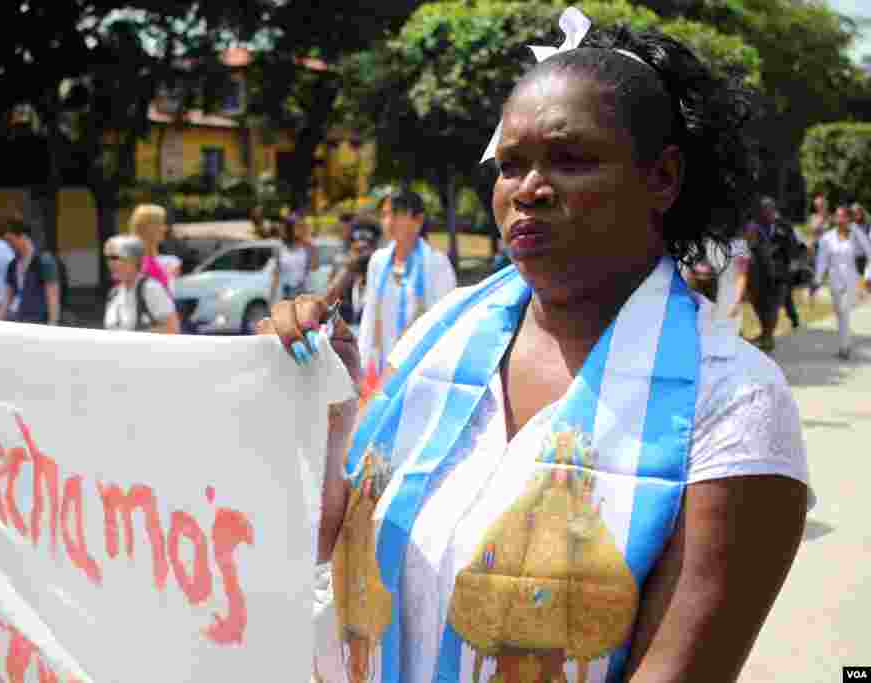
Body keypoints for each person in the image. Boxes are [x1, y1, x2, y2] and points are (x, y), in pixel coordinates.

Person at [260, 9, 811, 683]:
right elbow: (327, 539)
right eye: (511, 165)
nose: (529, 190)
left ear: (662, 177)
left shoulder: (735, 402)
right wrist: (328, 402)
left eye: (570, 159)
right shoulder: (436, 340)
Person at [357, 190, 457, 393]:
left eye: (396, 214)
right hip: (382, 366)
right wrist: (363, 363)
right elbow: (369, 316)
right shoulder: (378, 261)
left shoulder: (436, 263)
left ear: (418, 219)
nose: (389, 221)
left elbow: (448, 321)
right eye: (384, 215)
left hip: (423, 370)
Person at [813, 205, 871, 359]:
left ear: (849, 219)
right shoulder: (827, 238)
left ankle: (845, 348)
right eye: (837, 216)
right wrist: (817, 280)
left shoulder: (856, 236)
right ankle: (844, 344)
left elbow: (869, 251)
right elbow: (822, 260)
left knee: (844, 311)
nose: (840, 220)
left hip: (851, 281)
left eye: (843, 217)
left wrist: (867, 276)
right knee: (840, 313)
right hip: (834, 281)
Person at [744, 197, 802, 351]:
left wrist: (793, 265)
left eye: (769, 209)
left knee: (774, 307)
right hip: (758, 276)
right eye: (763, 209)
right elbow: (747, 249)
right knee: (760, 307)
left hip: (779, 275)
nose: (767, 213)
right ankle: (766, 333)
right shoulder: (752, 228)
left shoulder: (784, 227)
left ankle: (768, 337)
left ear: (774, 210)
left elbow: (794, 246)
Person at [103, 235, 178, 334]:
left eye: (115, 257)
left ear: (133, 260)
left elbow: (172, 329)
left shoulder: (150, 289)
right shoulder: (114, 294)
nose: (110, 263)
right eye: (108, 258)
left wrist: (129, 338)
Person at [0, 220, 61, 325]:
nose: (9, 245)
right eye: (6, 242)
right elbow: (7, 297)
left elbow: (52, 295)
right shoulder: (12, 265)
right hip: (16, 318)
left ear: (22, 236)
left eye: (10, 240)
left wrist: (52, 324)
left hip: (37, 320)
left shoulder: (44, 260)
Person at [326, 216, 382, 333]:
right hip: (346, 334)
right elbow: (328, 300)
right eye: (357, 248)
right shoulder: (344, 266)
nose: (362, 253)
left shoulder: (383, 270)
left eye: (367, 247)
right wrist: (349, 267)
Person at [271, 211, 319, 302]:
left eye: (301, 226)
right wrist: (272, 297)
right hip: (286, 292)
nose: (300, 229)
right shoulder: (281, 248)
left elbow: (314, 267)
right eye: (297, 226)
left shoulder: (307, 247)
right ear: (290, 228)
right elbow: (276, 273)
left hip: (303, 292)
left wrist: (312, 248)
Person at [129, 204, 178, 291]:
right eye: (161, 224)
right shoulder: (131, 264)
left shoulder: (171, 261)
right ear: (149, 228)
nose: (165, 228)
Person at [851, 202, 868, 274]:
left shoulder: (867, 226)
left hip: (865, 257)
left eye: (858, 211)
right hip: (854, 258)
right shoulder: (850, 226)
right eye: (855, 212)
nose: (857, 214)